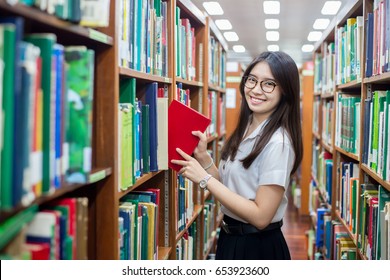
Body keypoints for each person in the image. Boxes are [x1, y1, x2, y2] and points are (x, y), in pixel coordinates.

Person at [171, 51, 303, 260]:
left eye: (268, 84)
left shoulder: (279, 143)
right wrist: (204, 159)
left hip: (257, 247)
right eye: (252, 80)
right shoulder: (248, 127)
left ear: (285, 91)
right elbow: (232, 189)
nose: (256, 90)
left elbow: (261, 216)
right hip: (230, 238)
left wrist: (204, 180)